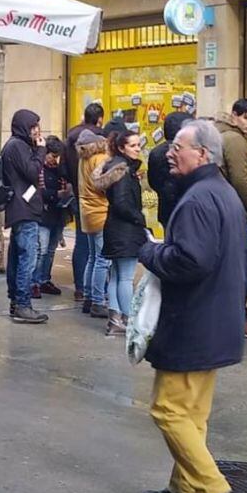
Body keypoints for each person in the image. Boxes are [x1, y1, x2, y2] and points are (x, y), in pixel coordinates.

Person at [138, 121, 245, 493]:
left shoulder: (199, 198)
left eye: (178, 147)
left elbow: (189, 261)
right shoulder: (220, 192)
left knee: (168, 410)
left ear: (203, 154)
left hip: (195, 321)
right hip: (215, 319)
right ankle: (184, 488)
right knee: (193, 413)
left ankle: (212, 490)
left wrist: (150, 251)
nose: (169, 152)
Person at [215, 98, 247, 339]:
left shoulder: (219, 133)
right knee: (243, 266)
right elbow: (240, 182)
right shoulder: (234, 140)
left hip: (220, 209)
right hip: (234, 212)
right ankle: (237, 317)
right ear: (234, 115)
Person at [1, 109, 47, 324]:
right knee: (27, 258)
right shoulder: (18, 146)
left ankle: (17, 301)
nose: (37, 131)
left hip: (21, 207)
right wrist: (41, 150)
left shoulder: (15, 145)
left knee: (18, 257)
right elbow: (32, 171)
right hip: (24, 209)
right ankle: (22, 304)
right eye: (34, 126)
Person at [102, 129, 148, 337]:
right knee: (126, 278)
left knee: (116, 275)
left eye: (139, 145)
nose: (137, 149)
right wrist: (139, 218)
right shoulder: (122, 170)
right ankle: (129, 319)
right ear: (121, 148)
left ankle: (115, 319)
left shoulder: (116, 168)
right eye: (133, 145)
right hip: (125, 230)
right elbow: (122, 203)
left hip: (115, 228)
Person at [64, 103, 105, 301]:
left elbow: (63, 167)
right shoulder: (100, 141)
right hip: (97, 202)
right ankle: (96, 294)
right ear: (99, 119)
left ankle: (82, 288)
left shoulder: (72, 135)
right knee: (99, 252)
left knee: (83, 244)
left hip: (78, 194)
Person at [76, 126, 113, 318]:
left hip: (87, 213)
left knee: (92, 257)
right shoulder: (100, 159)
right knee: (102, 260)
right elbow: (104, 185)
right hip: (100, 211)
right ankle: (98, 301)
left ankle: (89, 297)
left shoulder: (83, 159)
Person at [32, 136, 71, 298]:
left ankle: (44, 279)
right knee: (41, 250)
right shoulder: (38, 169)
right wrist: (56, 194)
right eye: (53, 156)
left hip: (58, 213)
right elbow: (36, 192)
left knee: (50, 250)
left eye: (58, 156)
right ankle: (33, 282)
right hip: (43, 214)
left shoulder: (61, 170)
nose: (56, 160)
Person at [147, 111, 191, 229]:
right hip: (186, 207)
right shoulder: (188, 151)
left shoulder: (156, 152)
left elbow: (152, 181)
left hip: (165, 207)